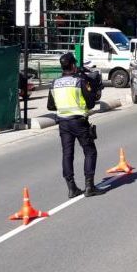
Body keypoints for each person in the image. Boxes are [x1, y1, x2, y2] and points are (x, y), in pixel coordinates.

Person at [47, 53, 106, 198]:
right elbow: (91, 103)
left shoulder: (54, 83)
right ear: (73, 65)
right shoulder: (79, 82)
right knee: (90, 151)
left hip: (63, 122)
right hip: (79, 121)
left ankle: (71, 188)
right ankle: (89, 186)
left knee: (67, 154)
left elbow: (50, 106)